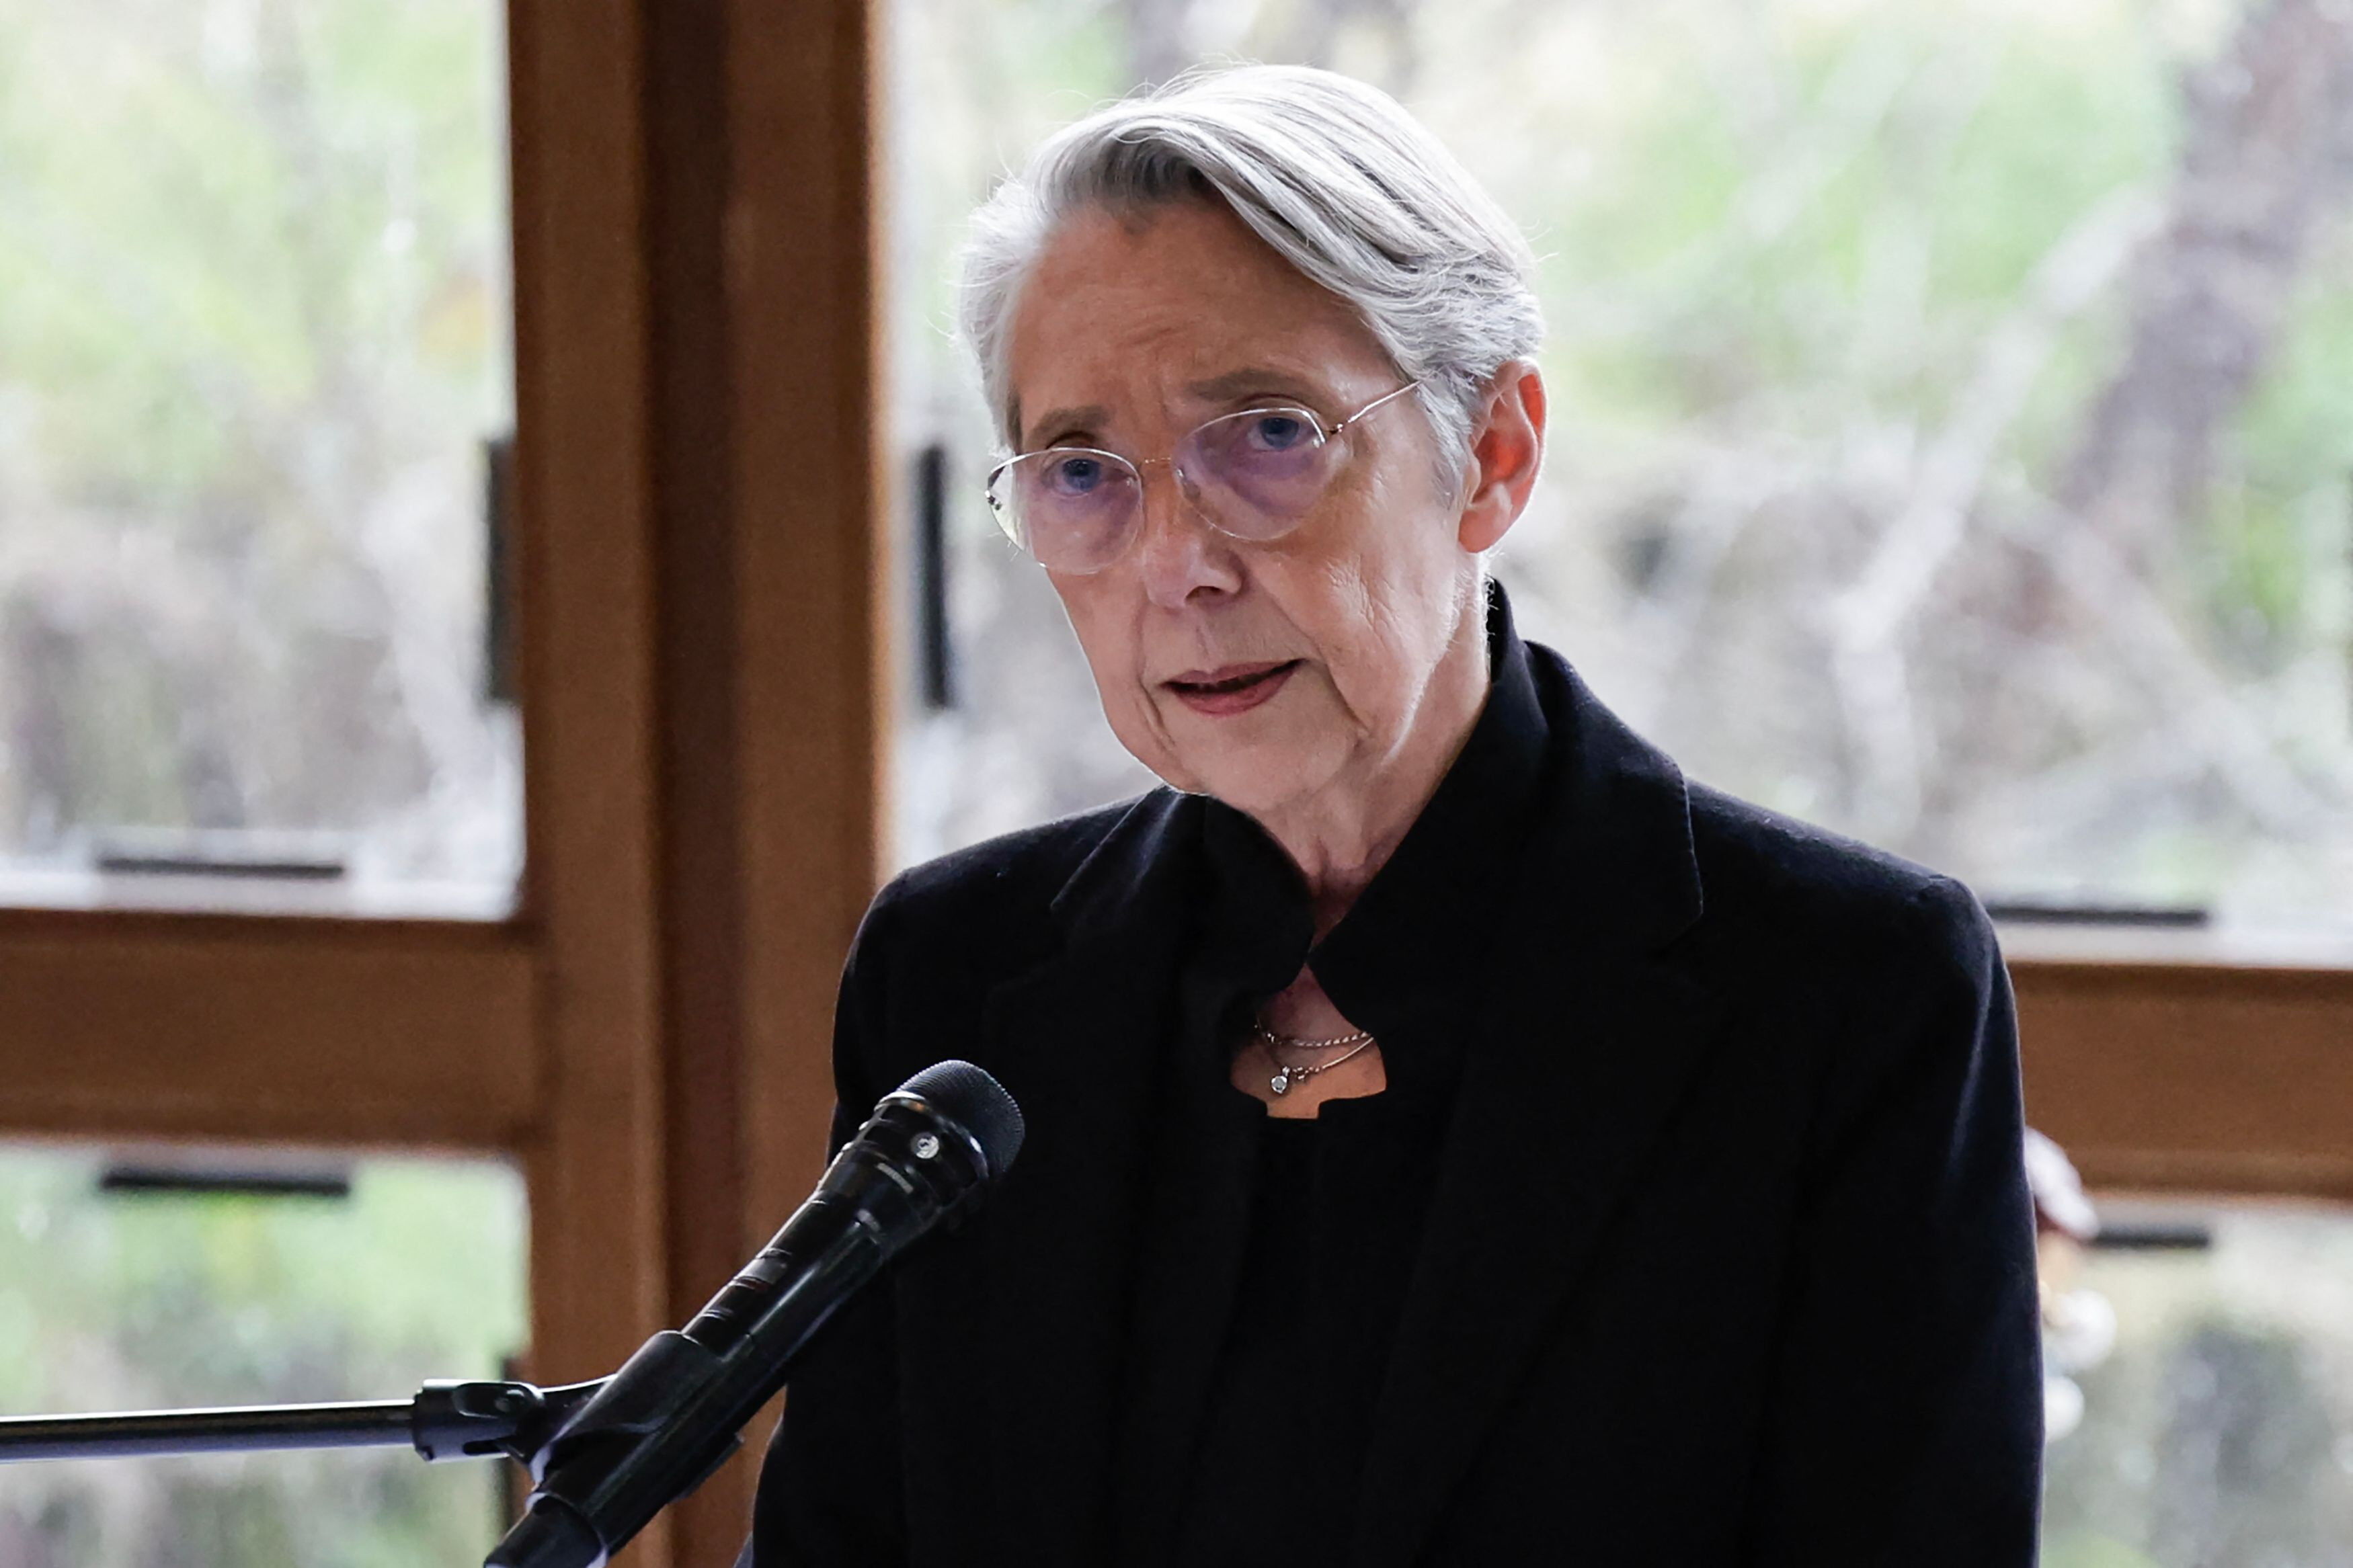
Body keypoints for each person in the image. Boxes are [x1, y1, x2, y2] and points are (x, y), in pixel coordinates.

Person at [748, 63, 2042, 1567]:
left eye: (1269, 438)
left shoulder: (1845, 993)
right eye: (1085, 471)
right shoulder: (955, 975)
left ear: (1491, 454)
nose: (1176, 564)